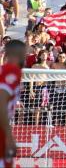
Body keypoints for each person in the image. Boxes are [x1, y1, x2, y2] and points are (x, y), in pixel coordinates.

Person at [0, 40, 26, 168]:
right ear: (21, 54)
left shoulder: (3, 70)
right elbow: (1, 103)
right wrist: (9, 137)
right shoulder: (12, 70)